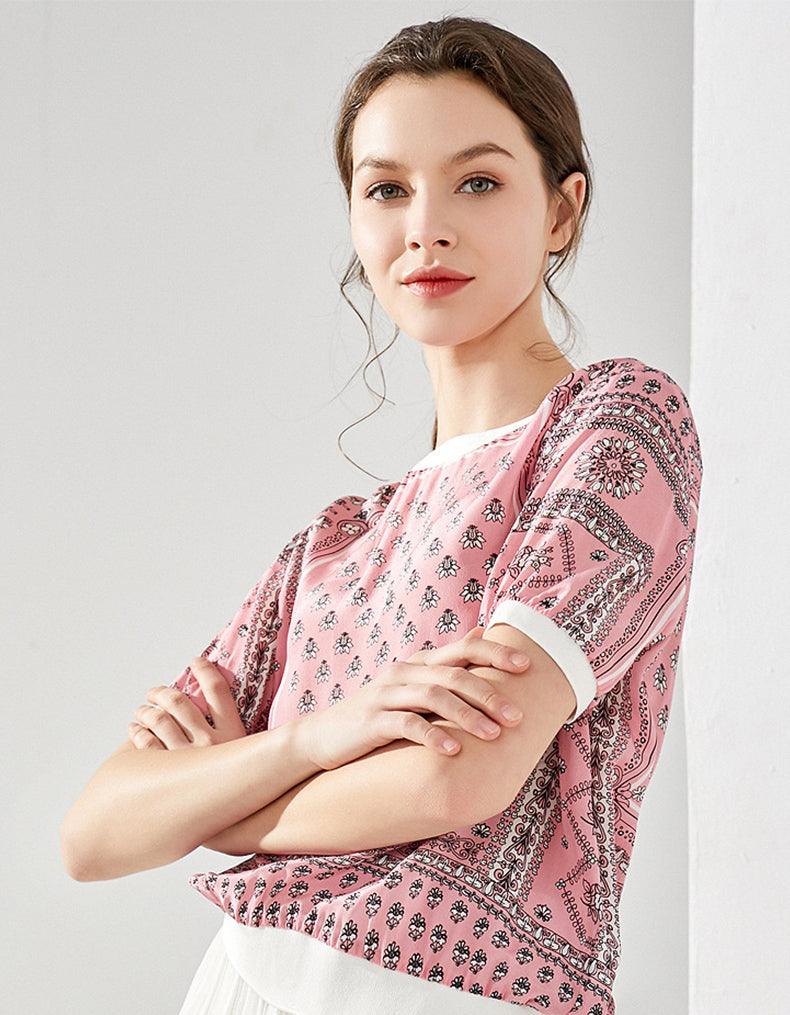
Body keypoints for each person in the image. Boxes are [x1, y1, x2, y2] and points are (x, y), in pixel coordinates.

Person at [61, 15, 701, 1015]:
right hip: (244, 982)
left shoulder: (614, 427)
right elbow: (97, 832)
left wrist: (224, 809)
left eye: (477, 182)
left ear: (561, 210)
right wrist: (315, 740)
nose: (425, 227)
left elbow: (456, 780)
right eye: (387, 188)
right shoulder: (331, 544)